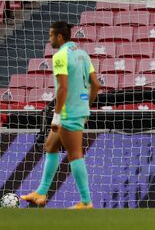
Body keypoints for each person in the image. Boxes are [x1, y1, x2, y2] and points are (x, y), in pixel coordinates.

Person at [21, 21, 100, 209]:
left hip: (67, 113)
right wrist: (86, 106)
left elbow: (63, 88)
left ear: (59, 36)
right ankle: (41, 192)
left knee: (75, 155)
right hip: (78, 109)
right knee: (50, 146)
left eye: (51, 35)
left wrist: (56, 116)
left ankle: (86, 201)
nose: (49, 39)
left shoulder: (60, 56)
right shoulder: (83, 54)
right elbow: (96, 85)